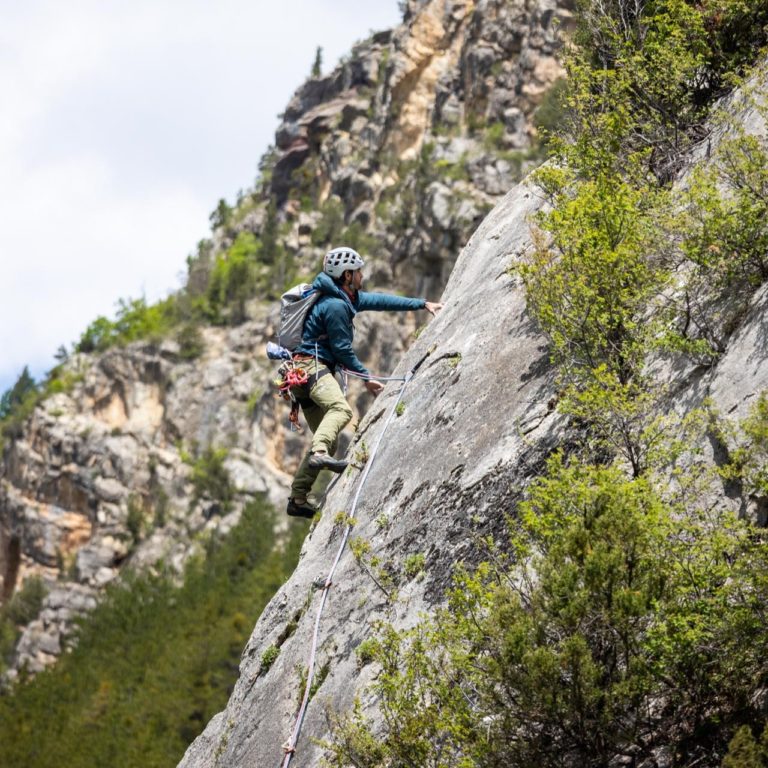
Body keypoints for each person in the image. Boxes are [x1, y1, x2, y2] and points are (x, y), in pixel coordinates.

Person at [286, 246, 443, 518]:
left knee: (329, 441)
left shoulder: (345, 297)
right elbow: (342, 350)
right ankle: (319, 453)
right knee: (341, 411)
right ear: (347, 275)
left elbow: (381, 301)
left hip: (301, 377)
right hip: (311, 369)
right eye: (358, 271)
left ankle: (297, 500)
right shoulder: (335, 305)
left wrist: (422, 303)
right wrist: (368, 378)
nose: (362, 275)